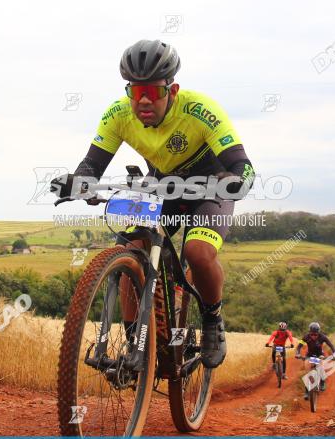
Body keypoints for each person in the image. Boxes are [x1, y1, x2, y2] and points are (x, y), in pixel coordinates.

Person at [50, 39, 255, 369]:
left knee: (198, 253)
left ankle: (213, 320)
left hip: (210, 188)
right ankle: (137, 347)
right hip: (164, 187)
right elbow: (91, 165)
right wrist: (78, 182)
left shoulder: (200, 110)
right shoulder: (118, 115)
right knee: (132, 248)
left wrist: (236, 181)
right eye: (136, 91)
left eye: (154, 92)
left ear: (172, 90)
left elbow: (241, 165)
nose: (144, 100)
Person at [295, 322, 335, 399]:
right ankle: (307, 392)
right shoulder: (305, 337)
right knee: (307, 373)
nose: (313, 336)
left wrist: (334, 354)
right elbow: (299, 346)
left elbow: (331, 346)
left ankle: (322, 382)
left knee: (321, 366)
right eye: (312, 334)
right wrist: (297, 353)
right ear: (309, 333)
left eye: (315, 335)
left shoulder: (323, 337)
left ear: (318, 333)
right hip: (309, 355)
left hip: (320, 355)